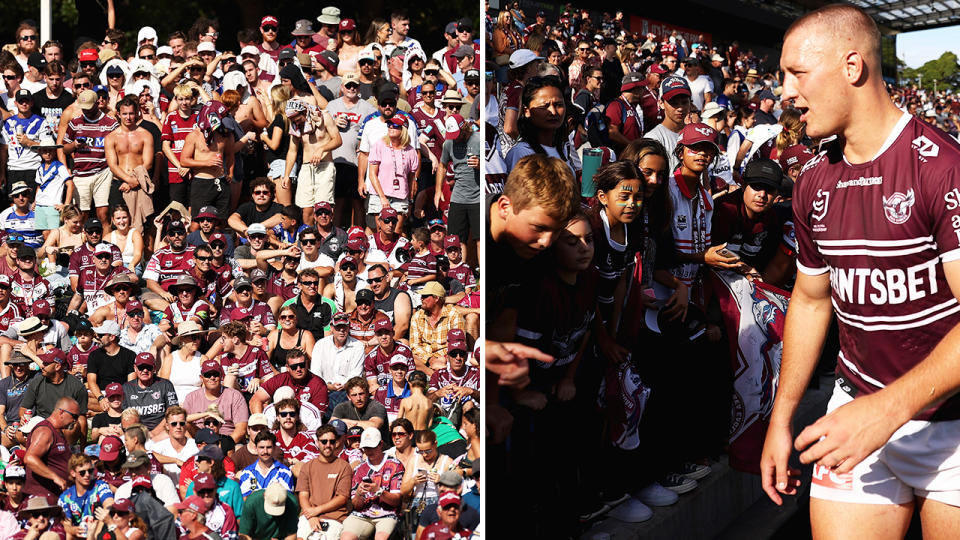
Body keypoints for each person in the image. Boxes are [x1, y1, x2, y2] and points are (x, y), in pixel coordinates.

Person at [761, 5, 960, 538]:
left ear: (852, 67)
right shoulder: (810, 180)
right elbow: (809, 299)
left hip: (951, 425)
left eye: (797, 73)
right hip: (856, 410)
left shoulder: (943, 167)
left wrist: (887, 411)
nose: (784, 91)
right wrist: (781, 420)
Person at [62, 90, 118, 223]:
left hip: (103, 171)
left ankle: (105, 242)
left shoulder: (111, 123)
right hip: (81, 173)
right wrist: (75, 145)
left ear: (97, 103)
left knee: (103, 214)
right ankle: (81, 242)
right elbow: (64, 148)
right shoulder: (75, 122)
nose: (86, 111)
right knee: (81, 215)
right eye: (84, 109)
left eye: (89, 108)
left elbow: (118, 148)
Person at [283, 99, 342, 226]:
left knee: (324, 208)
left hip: (324, 166)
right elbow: (292, 151)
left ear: (304, 111)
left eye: (297, 118)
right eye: (293, 120)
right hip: (306, 168)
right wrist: (287, 175)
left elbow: (337, 140)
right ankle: (309, 238)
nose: (296, 122)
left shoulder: (324, 117)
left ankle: (325, 239)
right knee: (306, 209)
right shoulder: (295, 125)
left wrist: (322, 149)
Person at [340, 428, 404, 540]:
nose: (369, 451)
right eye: (366, 448)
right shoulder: (360, 468)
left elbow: (396, 501)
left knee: (381, 538)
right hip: (362, 514)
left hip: (388, 513)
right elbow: (356, 505)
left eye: (372, 447)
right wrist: (359, 494)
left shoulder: (395, 464)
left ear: (380, 444)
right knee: (346, 537)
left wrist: (379, 491)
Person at [295, 423, 352, 540]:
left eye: (332, 441)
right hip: (309, 516)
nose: (328, 445)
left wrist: (317, 511)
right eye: (324, 441)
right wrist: (310, 516)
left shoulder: (344, 466)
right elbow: (303, 496)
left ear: (336, 443)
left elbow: (342, 498)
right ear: (317, 442)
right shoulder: (307, 466)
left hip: (334, 517)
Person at [438, 114, 481, 266]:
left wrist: (479, 165)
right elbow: (442, 165)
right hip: (458, 197)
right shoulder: (448, 143)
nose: (454, 138)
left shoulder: (479, 139)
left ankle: (482, 277)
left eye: (457, 134)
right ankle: (458, 274)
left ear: (464, 127)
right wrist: (438, 191)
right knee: (456, 239)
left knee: (480, 239)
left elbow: (492, 166)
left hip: (478, 198)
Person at [20, 349, 87, 443]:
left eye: (46, 363)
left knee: (72, 427)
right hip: (42, 422)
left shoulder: (77, 387)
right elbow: (24, 408)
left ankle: (66, 451)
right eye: (43, 362)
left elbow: (82, 418)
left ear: (57, 366)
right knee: (19, 435)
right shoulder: (36, 382)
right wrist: (23, 418)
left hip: (65, 425)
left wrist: (83, 448)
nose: (42, 366)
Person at [104, 96, 153, 223]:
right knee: (118, 222)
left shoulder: (146, 135)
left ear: (136, 113)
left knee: (145, 221)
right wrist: (128, 180)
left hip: (140, 181)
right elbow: (112, 165)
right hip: (119, 183)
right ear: (118, 114)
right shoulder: (111, 137)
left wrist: (133, 180)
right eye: (124, 114)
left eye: (131, 113)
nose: (128, 117)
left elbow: (148, 163)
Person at [23, 397, 80, 497]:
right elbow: (29, 458)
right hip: (41, 497)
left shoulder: (58, 432)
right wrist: (55, 477)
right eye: (74, 416)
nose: (75, 420)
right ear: (61, 412)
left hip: (56, 495)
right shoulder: (45, 431)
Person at [182, 359, 249, 442]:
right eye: (208, 375)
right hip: (199, 442)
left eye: (215, 374)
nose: (212, 377)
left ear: (221, 376)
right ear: (201, 378)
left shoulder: (235, 396)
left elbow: (241, 430)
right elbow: (182, 420)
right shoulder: (191, 397)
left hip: (227, 440)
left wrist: (224, 446)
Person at [250, 347, 329, 416]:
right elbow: (255, 400)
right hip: (280, 423)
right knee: (285, 392)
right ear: (287, 367)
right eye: (294, 366)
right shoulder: (280, 379)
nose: (298, 369)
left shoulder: (318, 384)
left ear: (307, 364)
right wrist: (260, 423)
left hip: (306, 425)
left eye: (301, 365)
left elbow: (318, 414)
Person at [409, 281, 465, 375]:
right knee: (409, 356)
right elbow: (414, 345)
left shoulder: (454, 314)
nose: (421, 298)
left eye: (425, 296)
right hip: (424, 358)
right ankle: (435, 375)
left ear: (436, 298)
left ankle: (434, 374)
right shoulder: (417, 316)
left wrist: (443, 358)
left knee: (453, 359)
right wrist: (430, 359)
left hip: (445, 358)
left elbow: (457, 343)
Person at [120, 352, 178, 439]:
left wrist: (154, 433)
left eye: (148, 367)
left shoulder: (165, 385)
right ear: (135, 368)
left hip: (162, 432)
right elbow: (124, 417)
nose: (145, 370)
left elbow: (173, 413)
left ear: (154, 368)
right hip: (135, 433)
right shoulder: (126, 388)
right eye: (141, 367)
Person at [57, 454, 114, 538]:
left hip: (98, 531)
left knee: (104, 516)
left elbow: (109, 504)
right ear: (73, 473)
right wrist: (74, 530)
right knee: (68, 533)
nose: (87, 475)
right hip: (79, 534)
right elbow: (67, 525)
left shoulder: (100, 485)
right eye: (82, 472)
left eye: (90, 471)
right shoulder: (65, 497)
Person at [86, 320, 136, 404]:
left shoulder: (129, 355)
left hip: (120, 395)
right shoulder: (94, 355)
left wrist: (118, 398)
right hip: (101, 393)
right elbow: (91, 381)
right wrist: (101, 398)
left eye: (101, 335)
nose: (97, 337)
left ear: (112, 337)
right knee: (83, 398)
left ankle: (107, 410)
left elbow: (131, 384)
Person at [238, 431, 294, 498]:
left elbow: (286, 499)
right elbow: (245, 502)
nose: (265, 451)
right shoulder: (247, 473)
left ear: (274, 448)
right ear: (256, 448)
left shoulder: (285, 473)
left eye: (269, 447)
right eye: (261, 447)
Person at [364, 318, 414, 394]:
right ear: (376, 336)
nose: (383, 337)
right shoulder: (370, 357)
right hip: (382, 396)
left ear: (393, 333)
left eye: (387, 333)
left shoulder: (405, 351)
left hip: (403, 392)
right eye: (380, 334)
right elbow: (373, 386)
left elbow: (410, 379)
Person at [331, 377, 387, 442]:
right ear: (348, 397)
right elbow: (332, 424)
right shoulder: (341, 407)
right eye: (354, 395)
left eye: (361, 394)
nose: (358, 398)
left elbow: (373, 426)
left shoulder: (377, 406)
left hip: (378, 446)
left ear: (367, 393)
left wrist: (343, 422)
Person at [0, 351, 35, 447]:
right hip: (12, 427)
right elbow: (0, 413)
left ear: (28, 364)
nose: (18, 368)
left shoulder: (36, 378)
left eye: (22, 364)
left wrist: (29, 352)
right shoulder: (4, 383)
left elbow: (48, 369)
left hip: (32, 426)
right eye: (15, 364)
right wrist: (5, 428)